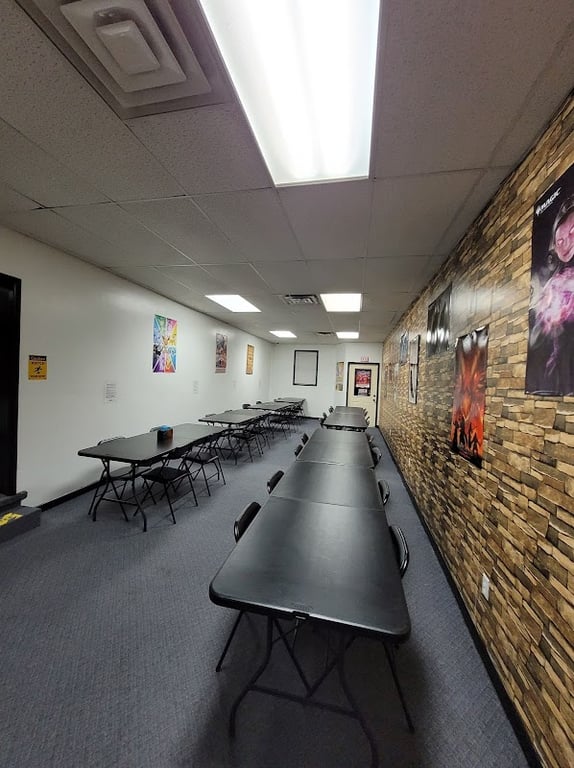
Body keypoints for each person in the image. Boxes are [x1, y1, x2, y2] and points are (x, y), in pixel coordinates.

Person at [528, 195, 574, 395]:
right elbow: (535, 340)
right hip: (555, 376)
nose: (566, 243)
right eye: (560, 239)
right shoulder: (551, 278)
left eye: (573, 232)